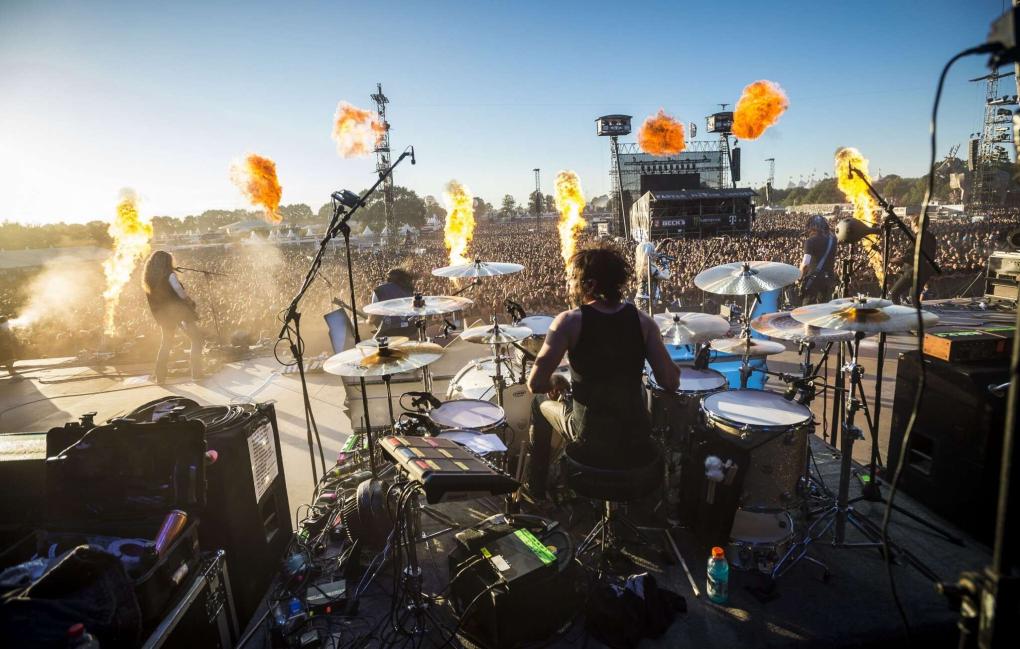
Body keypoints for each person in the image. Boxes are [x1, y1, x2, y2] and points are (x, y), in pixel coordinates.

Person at [525, 246, 680, 500]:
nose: (570, 284)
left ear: (589, 283)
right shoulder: (644, 322)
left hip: (591, 438)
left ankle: (536, 492)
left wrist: (554, 379)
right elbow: (670, 382)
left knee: (538, 403)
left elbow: (536, 383)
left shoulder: (568, 322)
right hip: (636, 438)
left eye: (573, 279)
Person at [142, 250, 203, 383]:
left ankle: (160, 377)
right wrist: (190, 301)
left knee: (166, 343)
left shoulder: (148, 279)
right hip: (179, 312)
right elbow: (179, 291)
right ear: (166, 262)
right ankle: (196, 374)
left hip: (162, 315)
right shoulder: (169, 275)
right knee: (196, 339)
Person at [889, 214, 938, 304]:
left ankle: (899, 315)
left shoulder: (918, 237)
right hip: (924, 272)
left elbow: (911, 256)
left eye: (911, 222)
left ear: (915, 223)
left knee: (893, 294)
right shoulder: (931, 237)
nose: (910, 224)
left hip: (913, 272)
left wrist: (897, 259)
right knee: (914, 298)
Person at [798, 215, 837, 306]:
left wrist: (799, 277)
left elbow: (805, 264)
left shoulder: (810, 241)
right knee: (825, 309)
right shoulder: (833, 240)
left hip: (813, 281)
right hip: (828, 279)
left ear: (813, 227)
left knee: (807, 309)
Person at [369, 267, 417, 338]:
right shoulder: (409, 289)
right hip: (410, 330)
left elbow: (374, 316)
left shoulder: (379, 290)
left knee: (373, 343)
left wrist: (371, 322)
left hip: (389, 331)